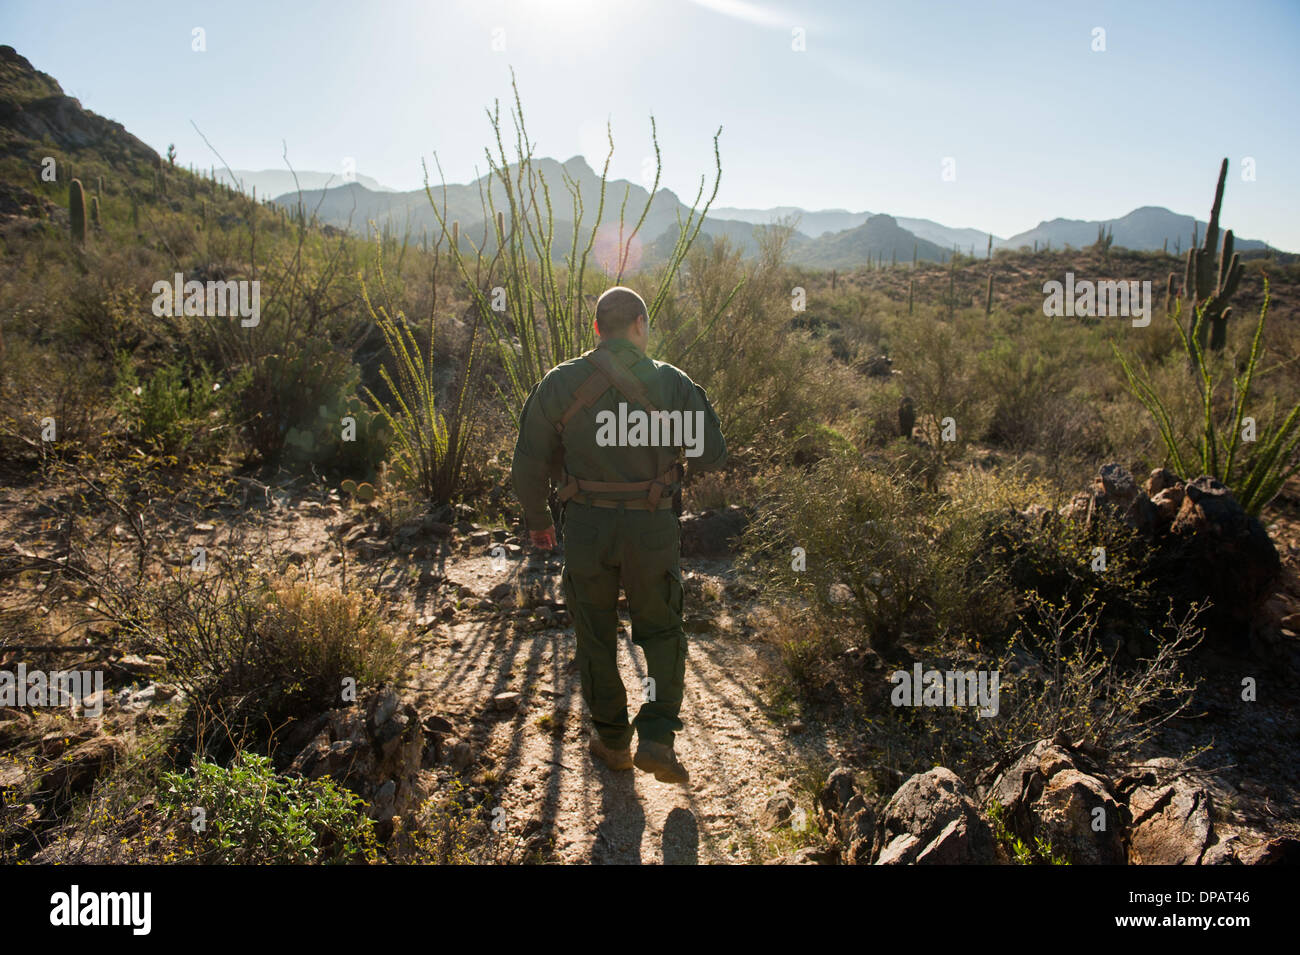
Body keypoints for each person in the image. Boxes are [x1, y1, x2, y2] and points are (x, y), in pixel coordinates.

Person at [511, 286, 726, 783]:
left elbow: (528, 461)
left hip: (586, 528)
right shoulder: (671, 382)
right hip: (652, 527)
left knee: (595, 635)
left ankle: (612, 742)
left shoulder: (560, 382)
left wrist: (539, 519)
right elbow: (713, 453)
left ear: (595, 329)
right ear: (641, 326)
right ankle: (656, 735)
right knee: (662, 630)